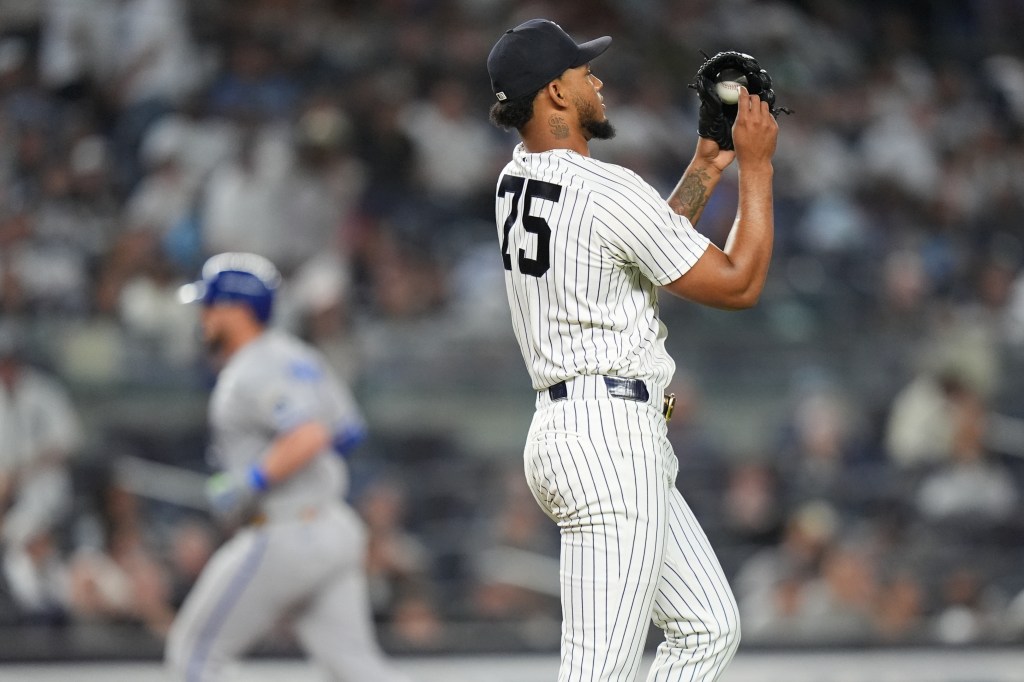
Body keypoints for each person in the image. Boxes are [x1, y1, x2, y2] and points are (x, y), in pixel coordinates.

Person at [486, 18, 779, 681]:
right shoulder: (604, 190)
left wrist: (706, 165)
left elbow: (643, 247)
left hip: (579, 427)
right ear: (554, 95)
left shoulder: (516, 178)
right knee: (599, 673)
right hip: (607, 439)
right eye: (581, 72)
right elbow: (738, 284)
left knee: (707, 627)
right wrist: (754, 170)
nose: (596, 80)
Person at [166, 252, 411, 681]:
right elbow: (347, 431)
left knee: (193, 656)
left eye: (210, 304)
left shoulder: (250, 369)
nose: (202, 315)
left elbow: (310, 434)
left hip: (284, 528)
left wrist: (252, 478)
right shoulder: (300, 356)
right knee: (354, 668)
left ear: (235, 309)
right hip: (333, 526)